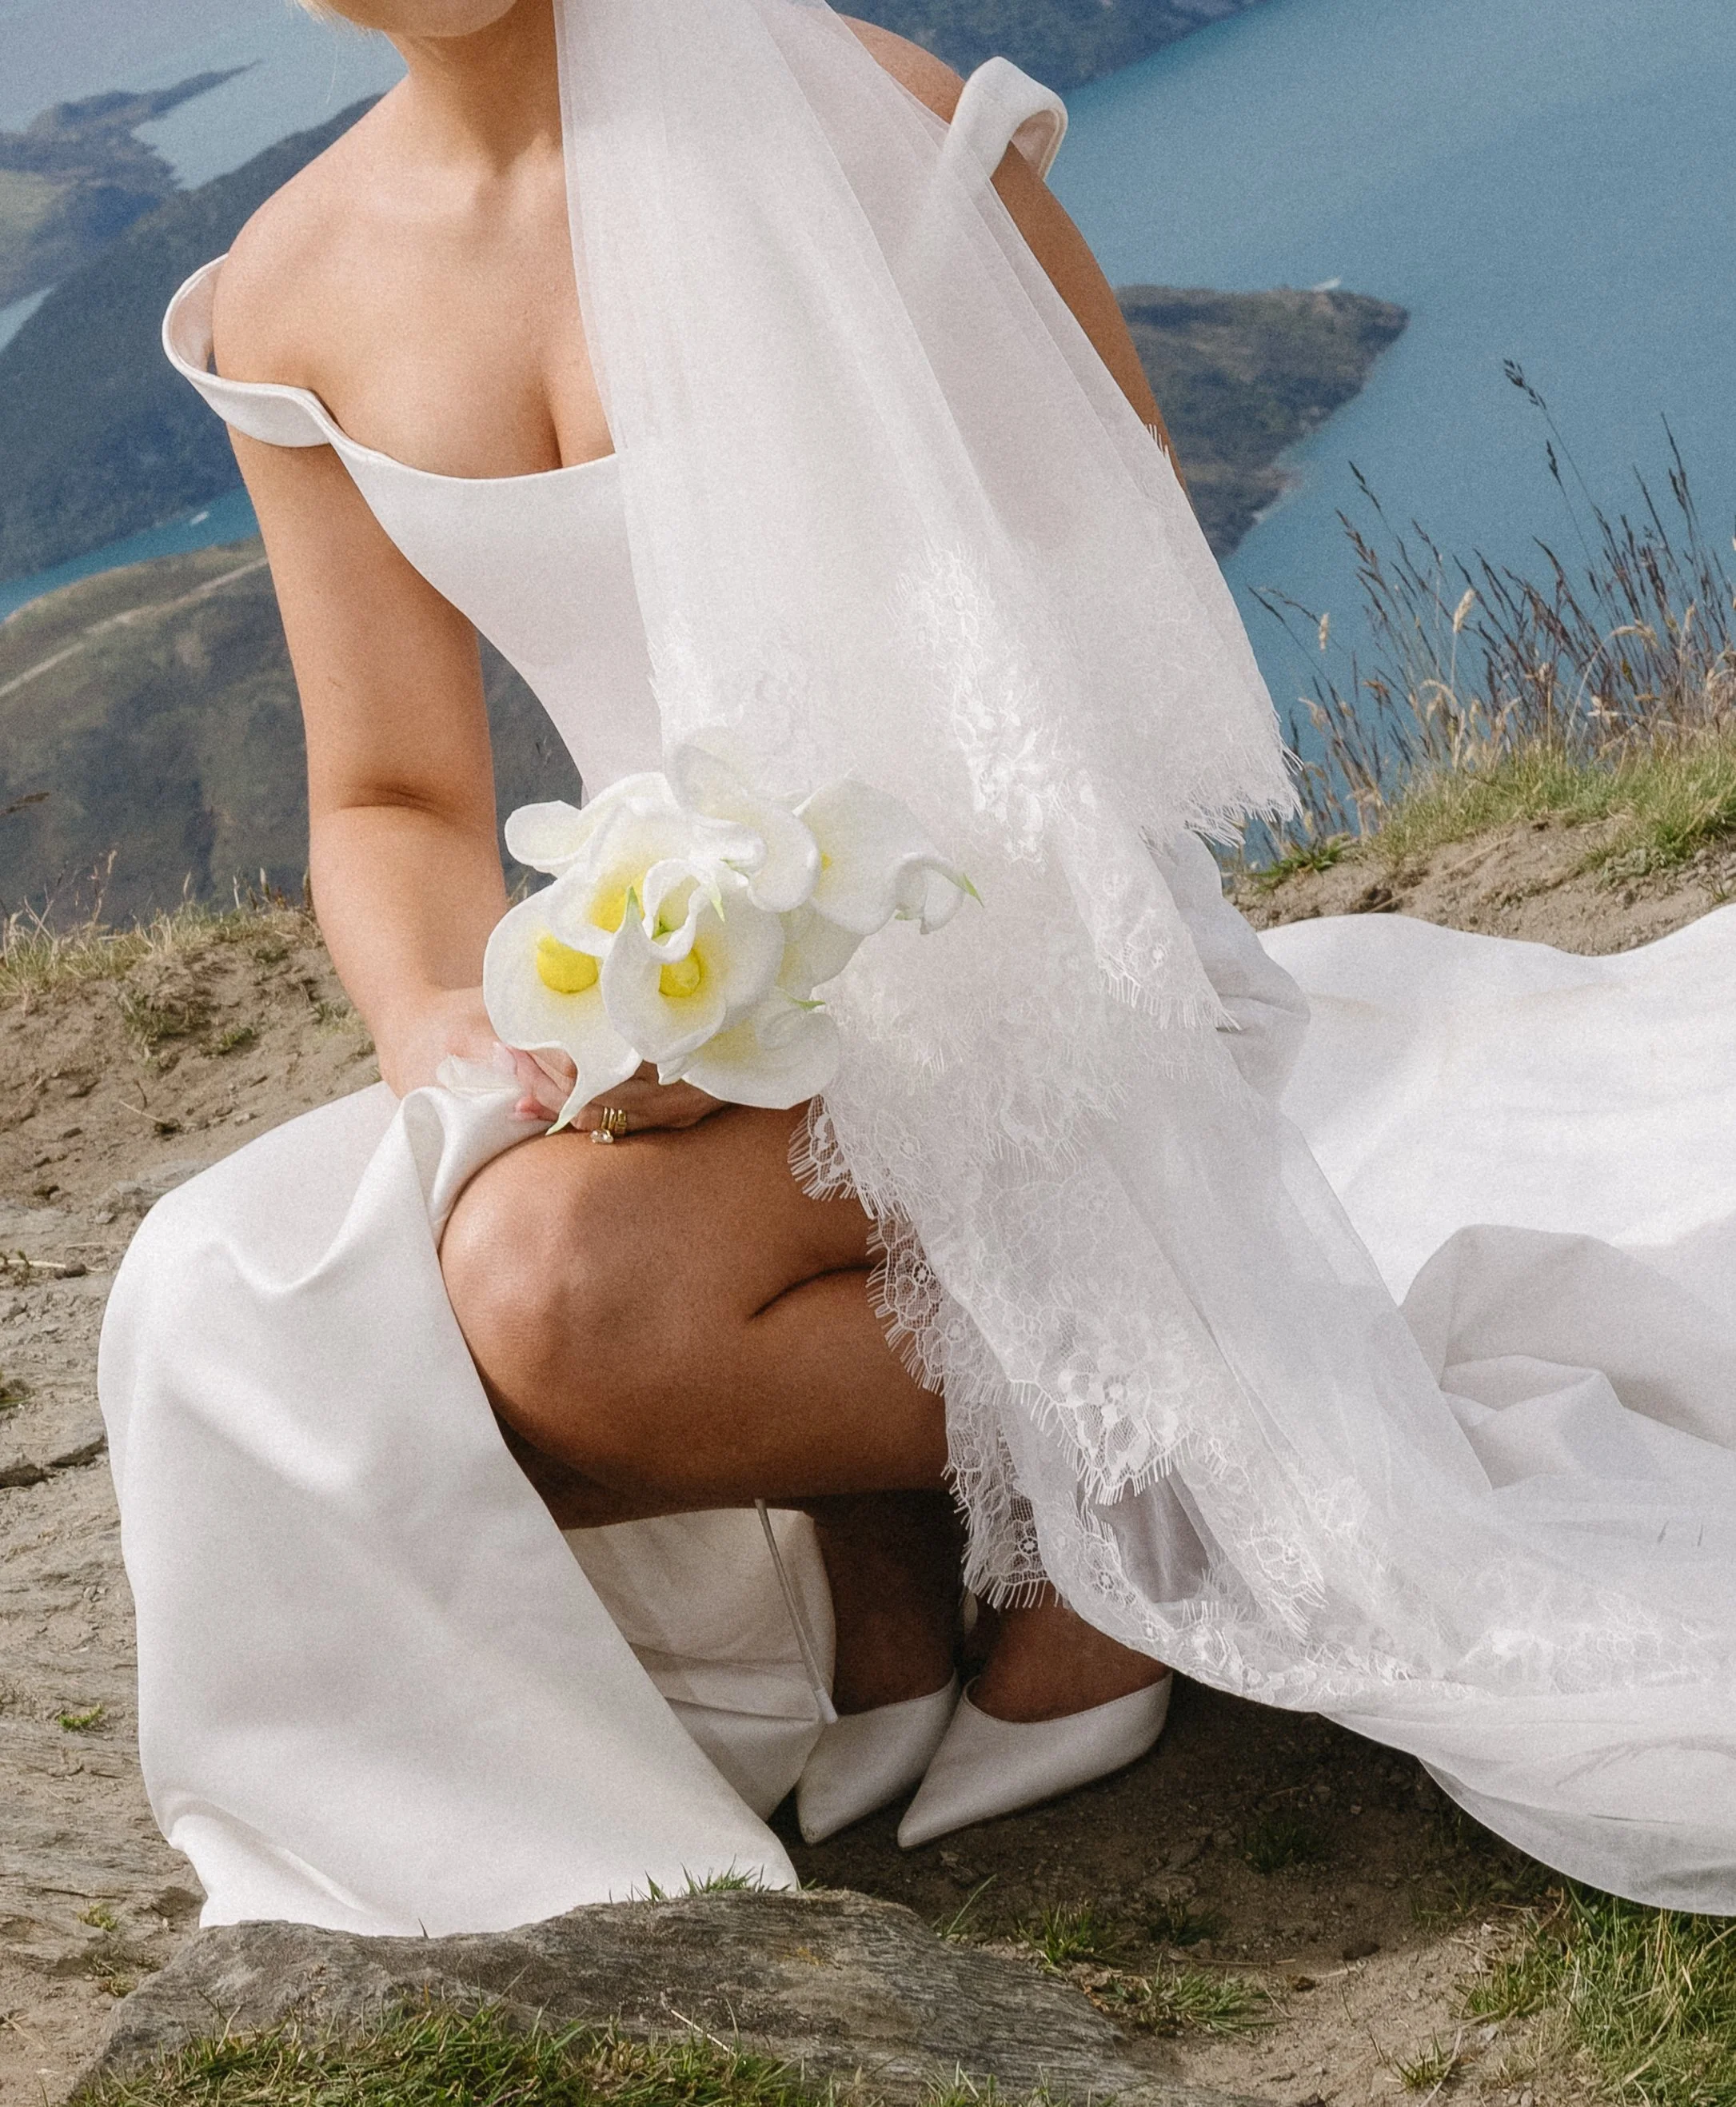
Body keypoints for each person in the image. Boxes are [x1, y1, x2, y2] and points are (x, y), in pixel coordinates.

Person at [102, 0, 1736, 1939]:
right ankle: (896, 1533)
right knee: (243, 1324)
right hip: (661, 1030)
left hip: (1033, 967)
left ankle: (1115, 1497)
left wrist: (818, 1007)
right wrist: (446, 1021)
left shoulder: (845, 119)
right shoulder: (291, 293)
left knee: (550, 1306)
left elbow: (1113, 628)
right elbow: (386, 797)